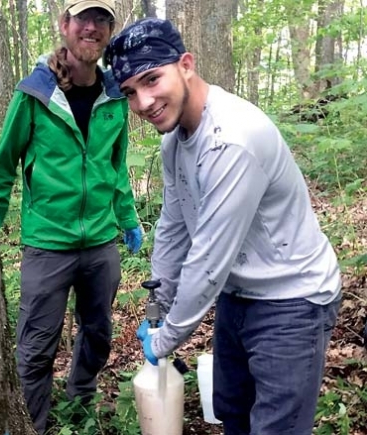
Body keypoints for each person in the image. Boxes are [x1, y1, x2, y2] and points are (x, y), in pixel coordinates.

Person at [105, 18, 342, 435]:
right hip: (238, 296)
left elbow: (209, 259)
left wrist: (165, 341)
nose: (143, 103)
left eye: (152, 79)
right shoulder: (174, 141)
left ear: (187, 65)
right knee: (233, 413)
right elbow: (175, 225)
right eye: (130, 93)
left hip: (293, 299)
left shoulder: (232, 140)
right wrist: (159, 302)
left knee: (275, 427)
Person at [0, 1, 142, 432]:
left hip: (99, 242)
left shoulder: (115, 95)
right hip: (47, 245)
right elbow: (3, 168)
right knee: (36, 346)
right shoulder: (34, 93)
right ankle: (33, 425)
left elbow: (116, 167)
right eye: (83, 19)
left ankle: (80, 407)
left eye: (102, 20)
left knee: (97, 336)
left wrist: (128, 218)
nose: (92, 28)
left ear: (110, 31)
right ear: (65, 25)